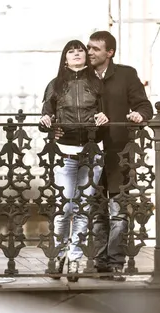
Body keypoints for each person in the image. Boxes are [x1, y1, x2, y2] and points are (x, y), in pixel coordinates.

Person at [39, 39, 109, 281]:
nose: (77, 54)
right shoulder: (56, 84)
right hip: (65, 152)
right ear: (65, 58)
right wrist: (47, 122)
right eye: (72, 51)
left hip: (92, 152)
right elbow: (45, 113)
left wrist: (103, 116)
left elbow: (106, 111)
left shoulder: (96, 82)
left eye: (80, 50)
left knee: (82, 210)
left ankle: (74, 259)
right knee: (65, 208)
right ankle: (58, 255)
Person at [86, 31, 154, 281]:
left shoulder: (126, 74)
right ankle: (98, 261)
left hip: (118, 152)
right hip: (89, 154)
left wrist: (139, 116)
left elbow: (144, 106)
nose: (90, 52)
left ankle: (115, 263)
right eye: (88, 48)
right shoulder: (81, 76)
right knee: (95, 211)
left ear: (109, 52)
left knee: (117, 210)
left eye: (95, 49)